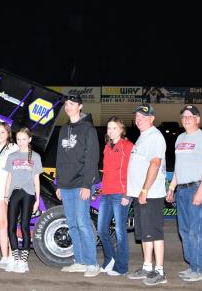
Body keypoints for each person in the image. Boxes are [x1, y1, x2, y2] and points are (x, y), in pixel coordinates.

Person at [55, 90, 100, 277]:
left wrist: (86, 184)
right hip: (65, 185)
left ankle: (92, 263)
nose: (68, 107)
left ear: (80, 106)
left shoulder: (88, 129)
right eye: (66, 104)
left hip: (81, 184)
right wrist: (58, 183)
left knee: (83, 223)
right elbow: (59, 157)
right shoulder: (63, 130)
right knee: (72, 224)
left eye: (72, 104)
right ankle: (80, 261)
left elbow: (92, 158)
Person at [166, 105, 202, 282]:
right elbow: (178, 168)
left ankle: (201, 270)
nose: (186, 119)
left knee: (196, 231)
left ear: (198, 119)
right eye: (184, 116)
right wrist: (171, 188)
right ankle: (193, 265)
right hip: (181, 190)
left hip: (196, 188)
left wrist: (200, 191)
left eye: (190, 116)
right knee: (184, 231)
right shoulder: (179, 138)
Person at [126, 104, 167, 286]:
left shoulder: (155, 137)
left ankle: (159, 270)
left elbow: (155, 164)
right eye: (137, 116)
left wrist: (144, 190)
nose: (138, 118)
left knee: (154, 232)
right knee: (145, 234)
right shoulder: (143, 137)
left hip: (150, 194)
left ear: (152, 118)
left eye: (143, 116)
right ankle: (147, 266)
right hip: (140, 195)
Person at [98, 116, 133, 276]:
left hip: (120, 194)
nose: (111, 131)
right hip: (106, 194)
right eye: (109, 128)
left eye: (114, 128)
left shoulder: (128, 146)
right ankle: (109, 258)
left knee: (120, 231)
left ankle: (121, 266)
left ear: (121, 129)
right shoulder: (107, 146)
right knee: (101, 230)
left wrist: (128, 194)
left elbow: (133, 171)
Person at [4, 127, 42, 273]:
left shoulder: (35, 157)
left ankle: (23, 261)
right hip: (14, 193)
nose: (21, 142)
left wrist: (37, 200)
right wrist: (6, 195)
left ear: (29, 139)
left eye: (24, 139)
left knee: (25, 226)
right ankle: (15, 257)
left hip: (28, 194)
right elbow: (9, 177)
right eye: (18, 139)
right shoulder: (12, 156)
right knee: (11, 227)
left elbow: (36, 179)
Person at [0, 122, 19, 269]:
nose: (0, 135)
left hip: (8, 190)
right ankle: (5, 256)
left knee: (9, 223)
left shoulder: (14, 148)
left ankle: (13, 256)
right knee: (1, 223)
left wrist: (9, 192)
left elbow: (15, 171)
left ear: (8, 133)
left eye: (2, 132)